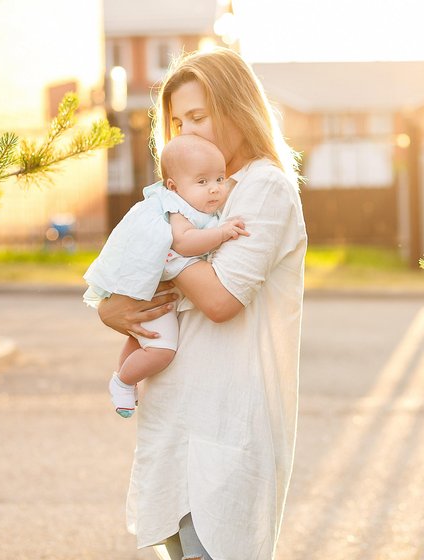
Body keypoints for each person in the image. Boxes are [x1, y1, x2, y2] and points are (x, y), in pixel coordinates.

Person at [96, 47, 306, 560]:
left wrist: (166, 247)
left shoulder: (264, 187)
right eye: (176, 121)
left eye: (198, 116)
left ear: (237, 109)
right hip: (174, 419)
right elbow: (121, 292)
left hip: (227, 423)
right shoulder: (182, 198)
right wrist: (111, 309)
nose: (186, 131)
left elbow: (219, 300)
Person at [83, 135, 248, 418]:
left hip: (155, 292)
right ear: (174, 186)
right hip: (156, 291)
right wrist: (221, 234)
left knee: (141, 338)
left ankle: (126, 379)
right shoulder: (177, 208)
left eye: (219, 179)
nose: (214, 189)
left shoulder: (196, 206)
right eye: (202, 182)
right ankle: (123, 381)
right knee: (162, 350)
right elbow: (183, 243)